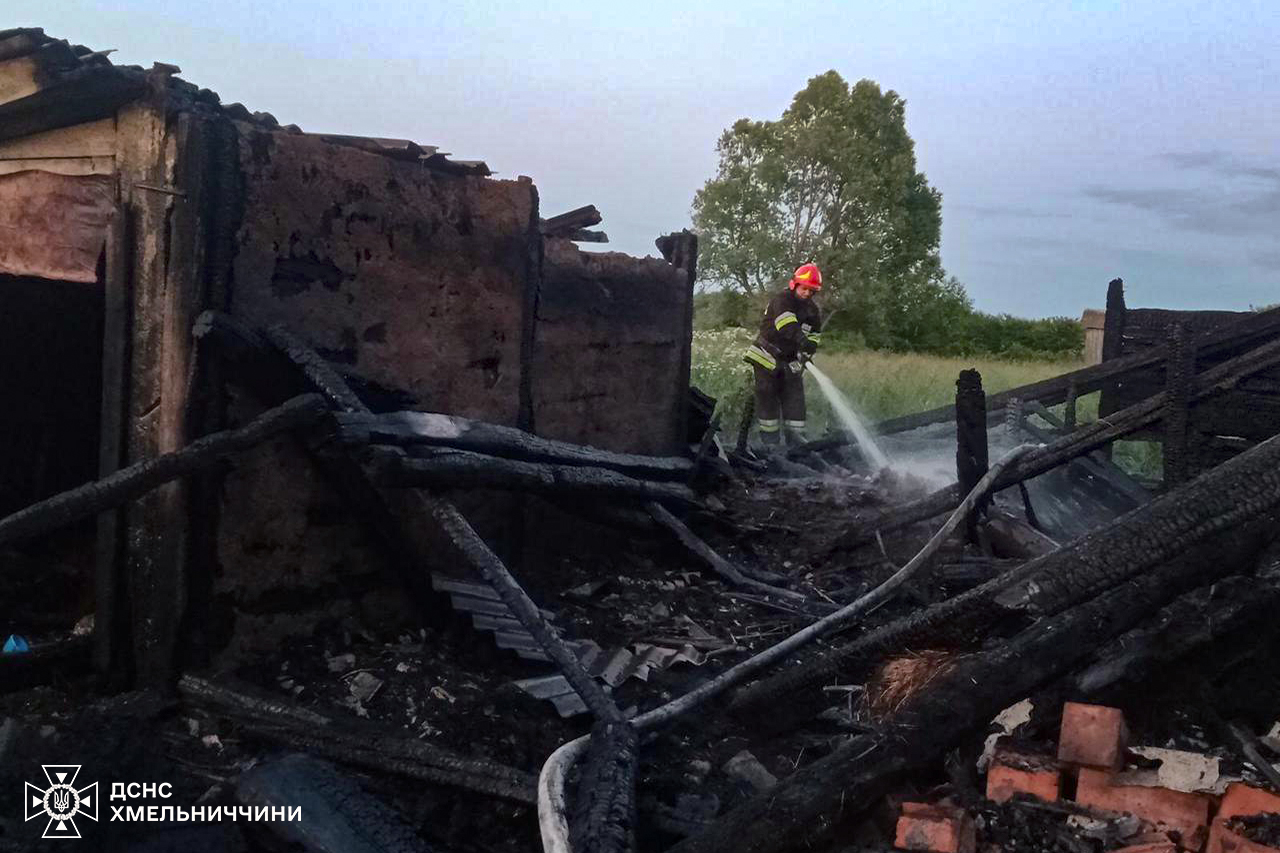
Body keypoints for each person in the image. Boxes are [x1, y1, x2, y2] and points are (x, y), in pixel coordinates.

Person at [743, 262, 823, 449]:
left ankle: (796, 446)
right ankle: (770, 446)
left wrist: (810, 347)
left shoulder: (812, 310)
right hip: (765, 356)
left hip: (790, 361)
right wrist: (803, 341)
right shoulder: (783, 300)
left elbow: (815, 334)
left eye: (812, 291)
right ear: (794, 284)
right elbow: (786, 325)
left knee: (795, 401)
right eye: (804, 289)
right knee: (768, 399)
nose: (807, 294)